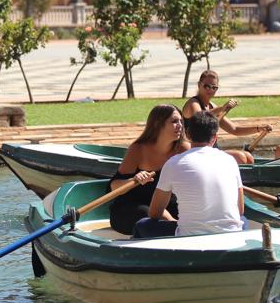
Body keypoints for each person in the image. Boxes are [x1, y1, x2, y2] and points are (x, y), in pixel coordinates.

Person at [133, 111, 245, 239]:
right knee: (244, 220)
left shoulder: (173, 163)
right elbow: (240, 210)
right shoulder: (230, 160)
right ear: (215, 138)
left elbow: (154, 213)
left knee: (142, 225)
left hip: (189, 237)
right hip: (231, 234)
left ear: (188, 134)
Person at [107, 104, 185, 235]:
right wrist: (134, 179)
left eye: (181, 121)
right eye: (174, 121)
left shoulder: (184, 149)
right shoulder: (138, 149)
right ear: (157, 124)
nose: (180, 125)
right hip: (132, 207)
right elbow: (114, 187)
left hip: (166, 205)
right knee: (151, 216)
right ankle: (177, 233)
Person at [181, 70, 267, 165]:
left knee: (249, 157)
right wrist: (222, 108)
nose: (210, 90)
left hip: (212, 150)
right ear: (199, 85)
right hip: (197, 151)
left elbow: (235, 130)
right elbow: (201, 117)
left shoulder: (212, 106)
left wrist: (259, 128)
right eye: (207, 86)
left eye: (214, 87)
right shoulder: (193, 103)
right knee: (241, 157)